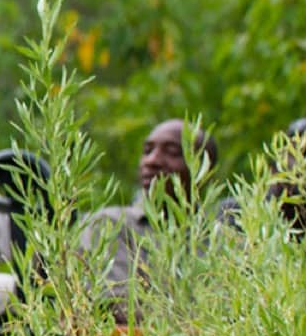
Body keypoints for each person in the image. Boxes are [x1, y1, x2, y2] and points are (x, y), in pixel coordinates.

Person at [79, 118, 220, 324]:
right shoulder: (111, 224)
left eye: (172, 152)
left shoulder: (220, 239)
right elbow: (115, 303)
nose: (151, 161)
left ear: (203, 169)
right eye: (147, 151)